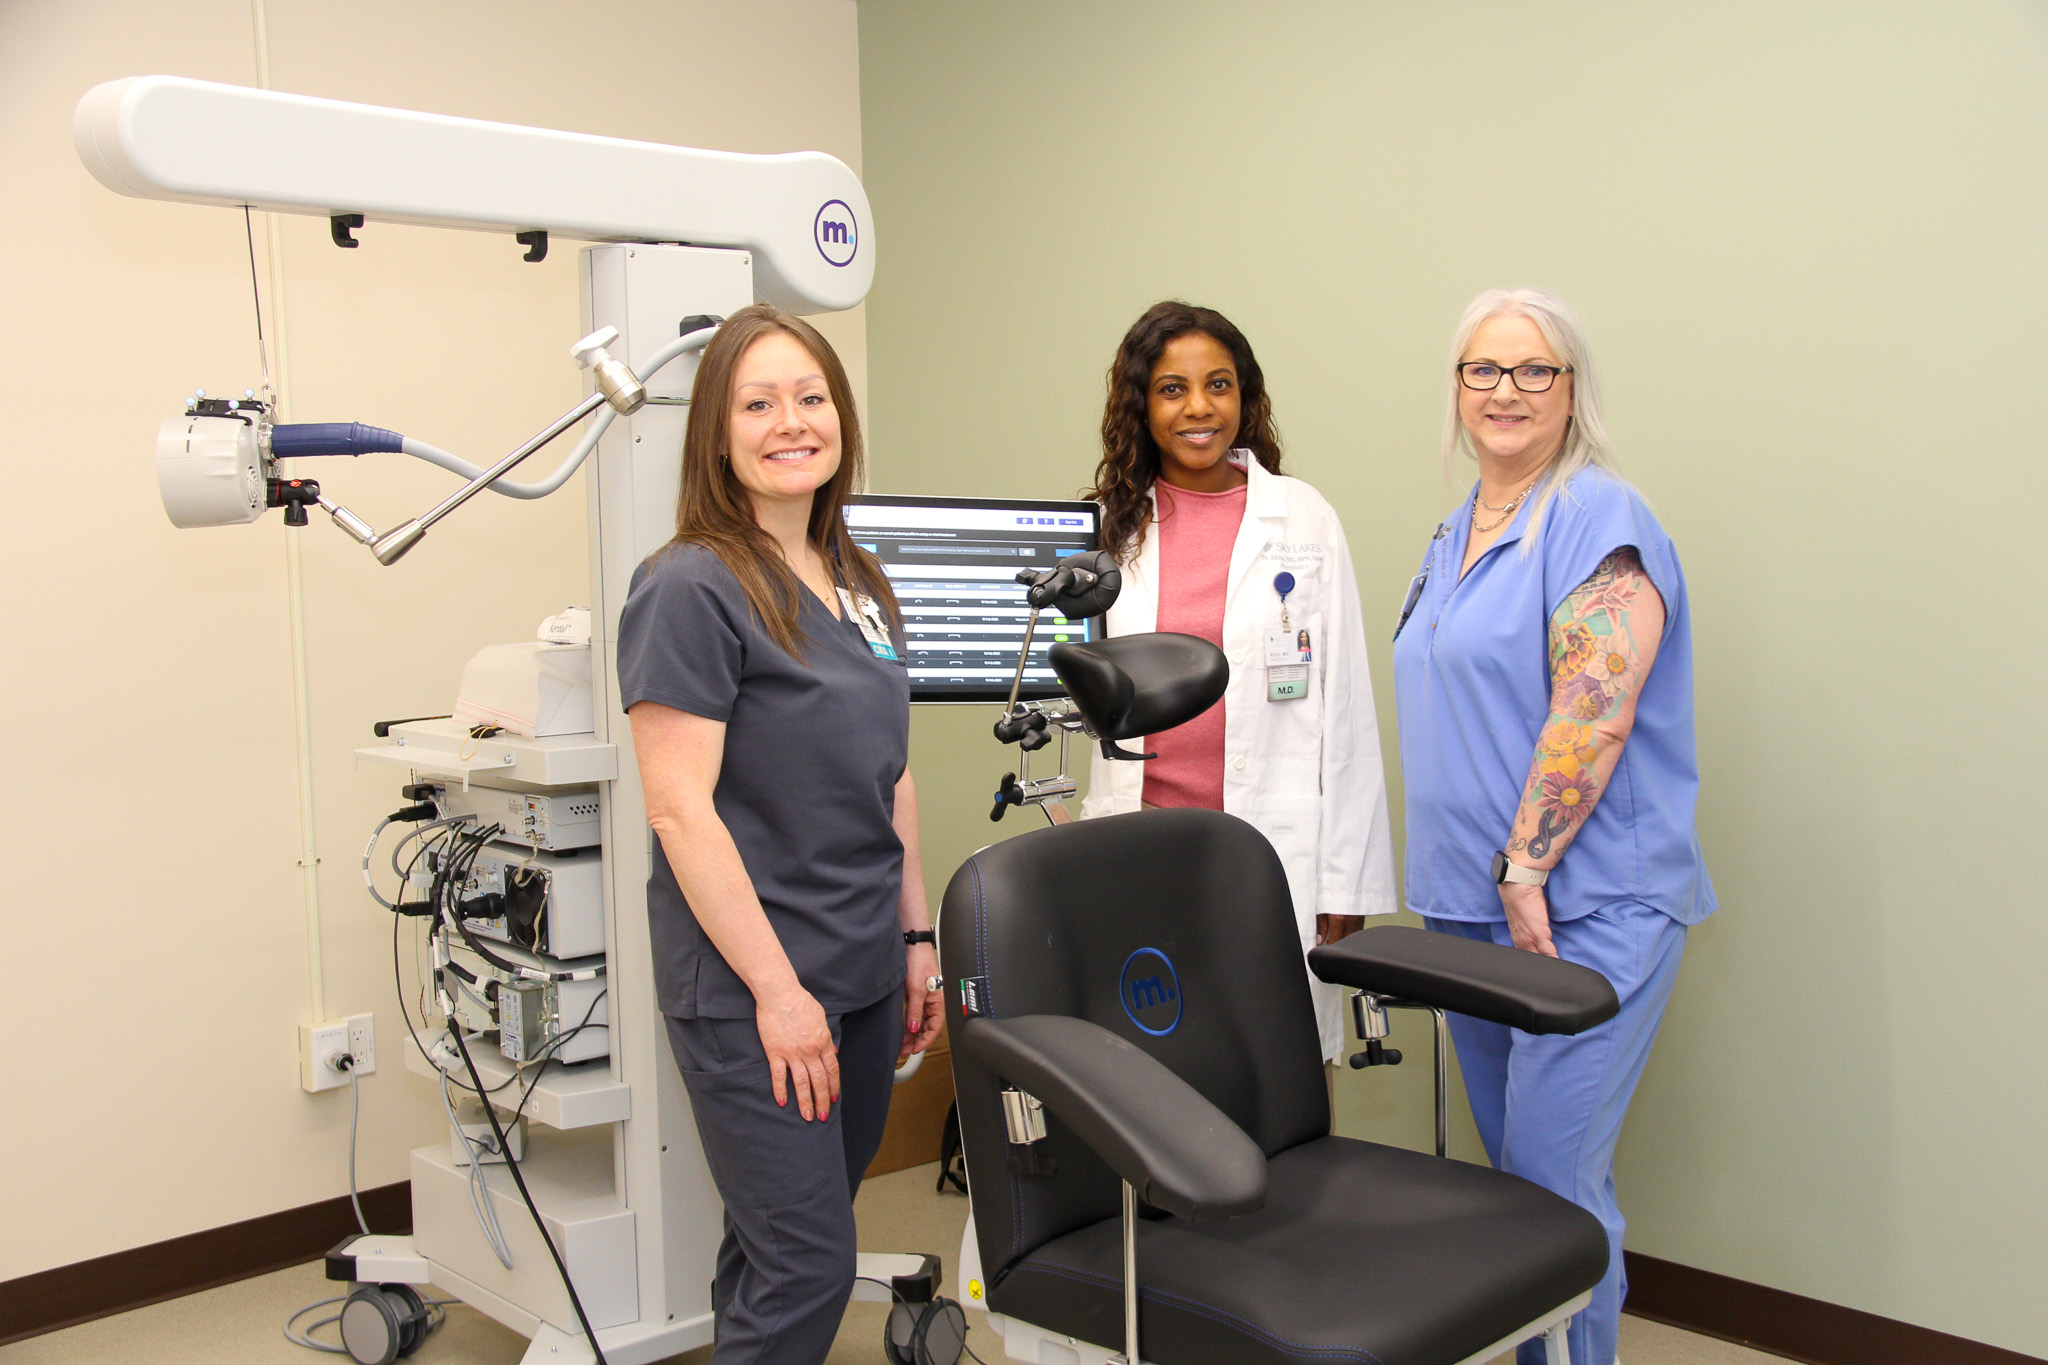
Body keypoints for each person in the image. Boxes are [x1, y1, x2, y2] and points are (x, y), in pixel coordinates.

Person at [1392, 288, 1715, 1365]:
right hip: (1465, 912)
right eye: (1482, 369)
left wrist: (1526, 865)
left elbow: (1594, 702)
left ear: (1571, 391)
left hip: (1582, 906)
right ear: (1454, 390)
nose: (1505, 391)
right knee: (1526, 1195)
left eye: (1534, 370)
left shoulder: (1593, 515)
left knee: (1546, 1188)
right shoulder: (1452, 535)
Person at [618, 304, 945, 1365]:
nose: (788, 422)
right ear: (717, 434)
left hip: (855, 968)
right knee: (807, 1263)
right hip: (754, 988)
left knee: (774, 1250)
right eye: (756, 403)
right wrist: (778, 994)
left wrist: (913, 939)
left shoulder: (858, 581)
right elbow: (678, 809)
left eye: (808, 398)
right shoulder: (689, 586)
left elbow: (888, 777)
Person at [1078, 300, 1397, 1063]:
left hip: (1270, 848)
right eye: (1171, 388)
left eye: (1218, 384)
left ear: (1246, 399)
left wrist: (1345, 879)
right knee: (1152, 1064)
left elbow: (1347, 706)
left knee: (1273, 1066)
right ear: (1140, 405)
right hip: (1140, 841)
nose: (1198, 407)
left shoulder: (1304, 519)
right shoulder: (1103, 529)